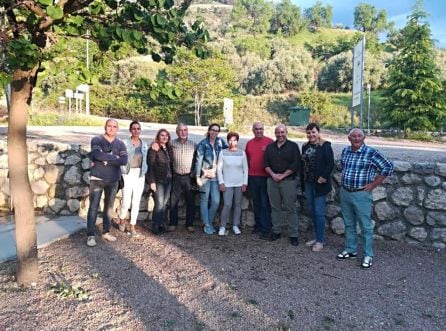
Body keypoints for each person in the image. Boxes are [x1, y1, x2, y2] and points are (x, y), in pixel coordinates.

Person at [337, 128, 393, 268]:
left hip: (361, 194)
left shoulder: (371, 153)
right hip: (345, 192)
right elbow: (343, 167)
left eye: (359, 136)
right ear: (349, 138)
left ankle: (368, 254)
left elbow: (388, 167)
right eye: (353, 136)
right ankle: (351, 250)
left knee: (365, 225)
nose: (356, 138)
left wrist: (373, 184)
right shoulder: (346, 151)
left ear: (364, 137)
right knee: (349, 223)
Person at [86, 119, 128, 247]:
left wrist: (106, 159)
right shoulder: (97, 140)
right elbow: (97, 155)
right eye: (109, 126)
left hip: (113, 180)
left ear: (117, 129)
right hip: (97, 179)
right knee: (93, 207)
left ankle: (106, 231)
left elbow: (124, 160)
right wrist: (114, 157)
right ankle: (90, 235)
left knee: (109, 208)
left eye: (114, 126)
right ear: (105, 127)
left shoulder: (120, 143)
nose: (111, 128)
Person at [264, 124, 301, 246]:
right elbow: (265, 164)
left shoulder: (293, 146)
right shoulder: (270, 147)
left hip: (288, 181)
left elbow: (296, 164)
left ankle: (293, 234)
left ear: (286, 132)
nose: (280, 134)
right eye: (278, 132)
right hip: (272, 180)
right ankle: (276, 231)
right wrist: (274, 175)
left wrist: (282, 175)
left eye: (282, 132)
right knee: (275, 207)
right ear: (275, 133)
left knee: (291, 208)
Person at [301, 123, 334, 252]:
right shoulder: (305, 146)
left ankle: (320, 241)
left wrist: (323, 177)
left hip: (320, 184)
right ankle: (317, 237)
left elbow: (330, 163)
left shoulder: (325, 146)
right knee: (312, 211)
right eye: (309, 133)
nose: (311, 135)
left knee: (319, 212)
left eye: (313, 132)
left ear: (318, 132)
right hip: (308, 183)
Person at [195, 123, 228, 235]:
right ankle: (207, 224)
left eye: (217, 130)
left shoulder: (221, 142)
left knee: (216, 201)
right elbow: (198, 160)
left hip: (216, 176)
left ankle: (208, 222)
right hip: (205, 176)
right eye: (212, 130)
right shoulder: (202, 144)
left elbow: (226, 155)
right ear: (209, 131)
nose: (214, 132)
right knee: (204, 200)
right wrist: (198, 176)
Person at [117, 121, 148, 238]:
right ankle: (121, 219)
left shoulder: (144, 144)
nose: (136, 131)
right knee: (126, 201)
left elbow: (146, 160)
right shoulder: (124, 143)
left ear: (140, 130)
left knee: (136, 202)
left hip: (139, 174)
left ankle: (132, 226)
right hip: (127, 173)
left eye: (138, 128)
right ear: (130, 130)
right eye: (134, 128)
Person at [245, 122, 273, 240]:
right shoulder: (249, 143)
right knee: (256, 202)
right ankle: (258, 226)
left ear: (263, 129)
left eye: (261, 129)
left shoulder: (270, 142)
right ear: (253, 130)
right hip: (252, 177)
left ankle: (266, 229)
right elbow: (247, 160)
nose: (259, 131)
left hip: (265, 177)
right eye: (256, 129)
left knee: (265, 203)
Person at [217, 132, 248, 236]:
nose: (232, 142)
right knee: (227, 204)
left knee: (238, 205)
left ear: (237, 141)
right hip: (227, 184)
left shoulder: (242, 153)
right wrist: (221, 182)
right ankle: (222, 226)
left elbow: (245, 169)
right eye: (230, 140)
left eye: (234, 140)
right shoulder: (223, 153)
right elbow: (219, 169)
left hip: (239, 183)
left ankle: (235, 225)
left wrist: (245, 183)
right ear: (227, 140)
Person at [168, 123, 197, 233]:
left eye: (185, 130)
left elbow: (197, 160)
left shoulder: (193, 144)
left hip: (188, 177)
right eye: (180, 130)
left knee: (190, 202)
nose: (183, 132)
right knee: (173, 202)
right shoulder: (171, 144)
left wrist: (194, 173)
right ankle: (172, 223)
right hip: (176, 177)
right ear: (176, 132)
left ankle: (189, 224)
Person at [147, 129, 173, 235]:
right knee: (159, 203)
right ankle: (155, 225)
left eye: (166, 135)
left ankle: (162, 224)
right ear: (158, 137)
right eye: (162, 135)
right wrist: (151, 181)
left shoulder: (169, 149)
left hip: (168, 180)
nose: (164, 137)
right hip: (158, 180)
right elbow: (150, 166)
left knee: (164, 204)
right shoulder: (154, 148)